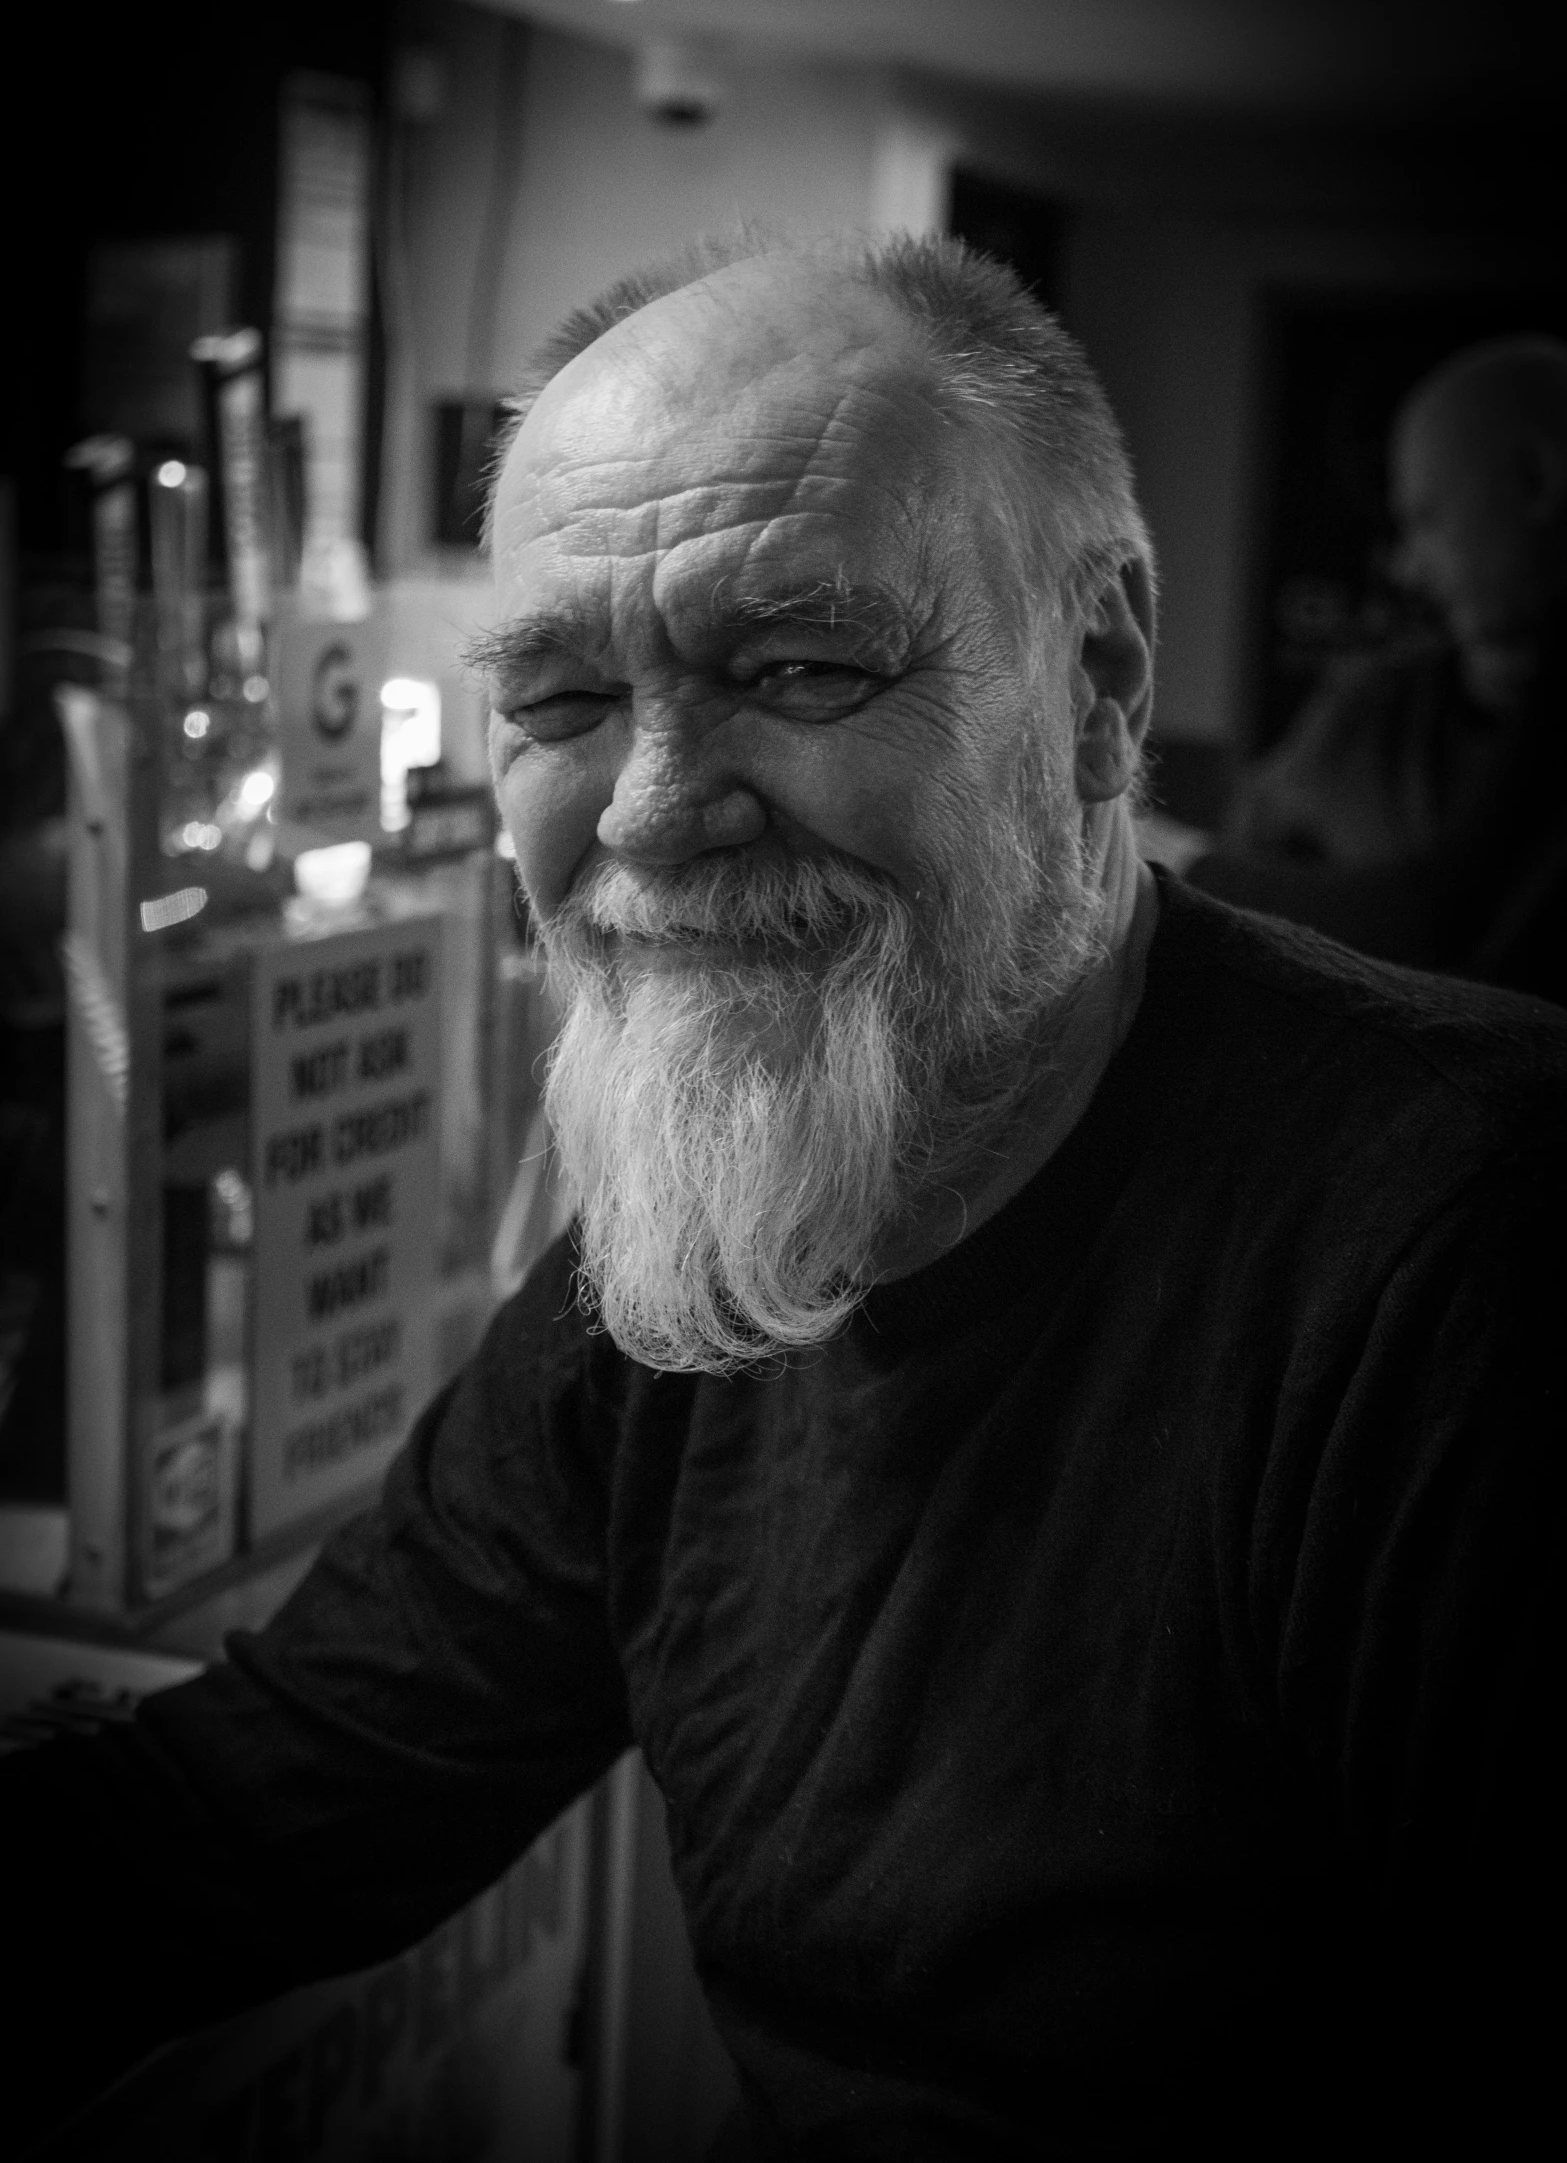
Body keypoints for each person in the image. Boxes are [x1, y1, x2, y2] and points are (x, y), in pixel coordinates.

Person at [4, 235, 1562, 2156]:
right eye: (561, 702)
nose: (653, 807)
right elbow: (257, 1812)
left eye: (804, 664)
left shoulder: (1464, 1254)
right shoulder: (689, 1262)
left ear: (1098, 684)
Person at [1189, 335, 1567, 997]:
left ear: (1536, 482)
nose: (1407, 569)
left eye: (1426, 519)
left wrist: (1171, 866)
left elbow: (1441, 916)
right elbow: (1267, 814)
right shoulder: (1388, 695)